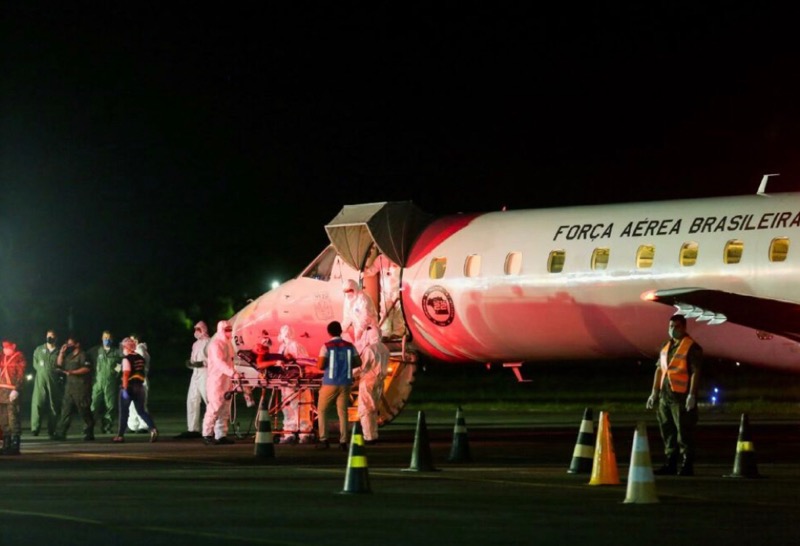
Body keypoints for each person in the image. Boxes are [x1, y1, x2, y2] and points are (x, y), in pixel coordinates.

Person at [646, 314, 702, 476]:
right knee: (667, 430)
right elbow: (659, 369)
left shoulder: (692, 347)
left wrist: (692, 394)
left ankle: (687, 464)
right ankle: (670, 463)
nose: (672, 329)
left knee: (684, 431)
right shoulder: (666, 346)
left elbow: (695, 372)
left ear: (684, 327)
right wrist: (654, 392)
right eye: (670, 326)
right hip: (665, 396)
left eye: (676, 326)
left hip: (681, 396)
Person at [316, 320, 361, 450]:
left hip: (330, 382)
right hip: (345, 382)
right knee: (342, 412)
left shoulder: (326, 346)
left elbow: (320, 366)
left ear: (329, 332)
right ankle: (343, 441)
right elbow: (358, 362)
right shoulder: (349, 346)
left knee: (322, 410)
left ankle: (324, 439)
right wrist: (345, 366)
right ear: (341, 331)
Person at [113, 337, 158, 443]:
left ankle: (120, 435)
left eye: (124, 346)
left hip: (129, 387)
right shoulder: (140, 358)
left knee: (124, 412)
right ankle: (153, 429)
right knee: (141, 411)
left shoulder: (126, 359)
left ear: (126, 347)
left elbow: (126, 373)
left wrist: (124, 388)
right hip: (140, 387)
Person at [275, 324, 314, 444]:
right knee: (288, 407)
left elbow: (303, 362)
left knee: (301, 407)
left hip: (296, 382)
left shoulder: (296, 346)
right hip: (286, 382)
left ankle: (304, 433)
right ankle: (289, 432)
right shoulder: (283, 346)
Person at [53, 335, 95, 441]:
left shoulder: (84, 355)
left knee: (84, 411)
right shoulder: (69, 356)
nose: (69, 346)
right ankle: (60, 433)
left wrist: (72, 372)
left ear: (77, 344)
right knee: (65, 411)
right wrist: (62, 353)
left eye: (71, 344)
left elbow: (86, 368)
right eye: (68, 344)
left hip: (81, 388)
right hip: (69, 388)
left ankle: (89, 432)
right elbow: (59, 365)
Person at [201, 320, 236, 445]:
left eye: (230, 329)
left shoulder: (228, 344)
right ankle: (207, 434)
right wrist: (232, 373)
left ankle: (221, 434)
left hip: (227, 381)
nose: (229, 332)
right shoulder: (216, 344)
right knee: (214, 408)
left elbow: (231, 361)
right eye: (227, 329)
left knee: (225, 409)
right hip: (216, 381)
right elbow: (219, 363)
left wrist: (233, 374)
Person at [354, 326, 390, 445]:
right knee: (374, 408)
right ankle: (374, 434)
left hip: (368, 381)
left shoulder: (370, 349)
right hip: (380, 381)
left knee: (365, 408)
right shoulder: (385, 348)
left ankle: (368, 436)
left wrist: (349, 374)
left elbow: (362, 367)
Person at [175, 321, 210, 439]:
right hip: (195, 373)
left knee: (209, 400)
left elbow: (213, 360)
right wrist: (190, 364)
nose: (196, 331)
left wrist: (203, 363)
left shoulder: (209, 342)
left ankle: (214, 428)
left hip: (205, 373)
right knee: (192, 400)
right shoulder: (195, 344)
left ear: (203, 329)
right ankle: (193, 429)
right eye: (195, 329)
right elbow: (193, 359)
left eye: (198, 329)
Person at [30, 329, 64, 438]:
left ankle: (52, 429)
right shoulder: (39, 349)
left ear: (56, 338)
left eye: (52, 336)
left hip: (53, 380)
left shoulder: (58, 351)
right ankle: (35, 428)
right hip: (40, 379)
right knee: (37, 403)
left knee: (53, 404)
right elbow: (35, 364)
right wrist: (42, 370)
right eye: (48, 336)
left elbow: (60, 365)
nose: (50, 338)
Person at [88, 330, 123, 434]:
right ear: (101, 338)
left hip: (110, 383)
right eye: (105, 338)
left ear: (112, 340)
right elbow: (85, 359)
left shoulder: (117, 352)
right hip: (97, 382)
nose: (106, 340)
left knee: (111, 405)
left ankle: (107, 426)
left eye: (108, 338)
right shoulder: (95, 351)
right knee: (93, 405)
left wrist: (115, 372)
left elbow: (122, 363)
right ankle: (89, 427)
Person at [364, 253, 406, 339]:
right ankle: (385, 332)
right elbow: (372, 270)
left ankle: (398, 332)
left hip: (398, 290)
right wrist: (364, 272)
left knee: (399, 311)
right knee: (385, 311)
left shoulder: (399, 256)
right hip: (386, 291)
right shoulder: (380, 258)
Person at [0, 340, 27, 455]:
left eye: (7, 347)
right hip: (1, 392)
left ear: (13, 346)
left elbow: (21, 375)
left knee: (13, 418)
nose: (5, 349)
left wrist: (17, 389)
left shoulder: (19, 358)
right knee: (3, 419)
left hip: (11, 392)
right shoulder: (2, 357)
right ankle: (6, 443)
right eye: (4, 347)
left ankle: (15, 444)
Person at [341, 278, 379, 349]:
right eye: (346, 291)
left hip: (370, 329)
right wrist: (342, 329)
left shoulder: (363, 298)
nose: (348, 293)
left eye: (350, 290)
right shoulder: (347, 300)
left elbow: (366, 316)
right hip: (358, 329)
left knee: (374, 350)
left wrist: (360, 330)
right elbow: (347, 317)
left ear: (355, 288)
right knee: (360, 350)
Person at [126, 333, 151, 433]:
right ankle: (133, 426)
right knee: (132, 404)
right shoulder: (133, 351)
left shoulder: (140, 350)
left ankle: (144, 425)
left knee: (140, 403)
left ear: (136, 341)